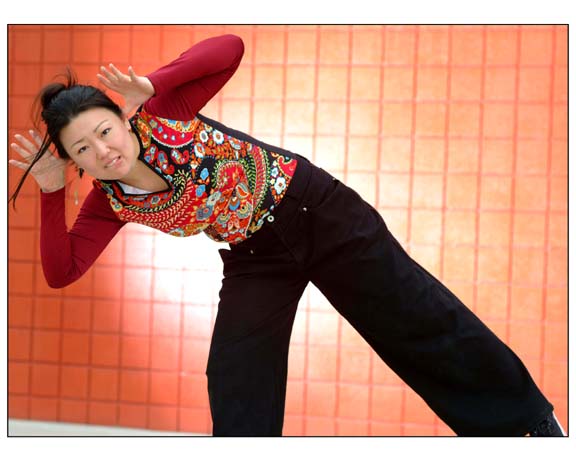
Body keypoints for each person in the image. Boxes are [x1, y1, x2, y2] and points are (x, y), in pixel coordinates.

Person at [9, 33, 565, 437]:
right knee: (236, 370)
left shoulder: (163, 112)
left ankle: (528, 425)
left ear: (121, 117)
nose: (103, 150)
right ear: (74, 162)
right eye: (83, 149)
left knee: (414, 318)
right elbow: (62, 271)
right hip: (255, 255)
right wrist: (52, 191)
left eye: (105, 131)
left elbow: (230, 49)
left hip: (315, 210)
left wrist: (155, 82)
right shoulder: (110, 203)